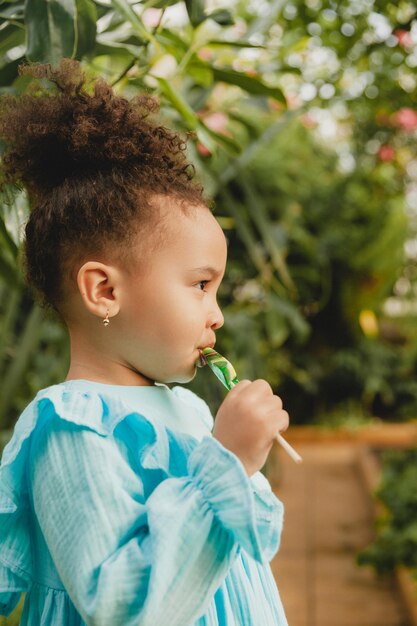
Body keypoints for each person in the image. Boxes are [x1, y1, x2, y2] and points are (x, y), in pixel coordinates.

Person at [0, 59, 289, 626]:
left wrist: (243, 464)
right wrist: (227, 461)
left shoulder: (186, 407)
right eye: (201, 286)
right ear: (104, 290)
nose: (218, 315)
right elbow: (121, 606)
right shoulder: (73, 428)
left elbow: (249, 550)